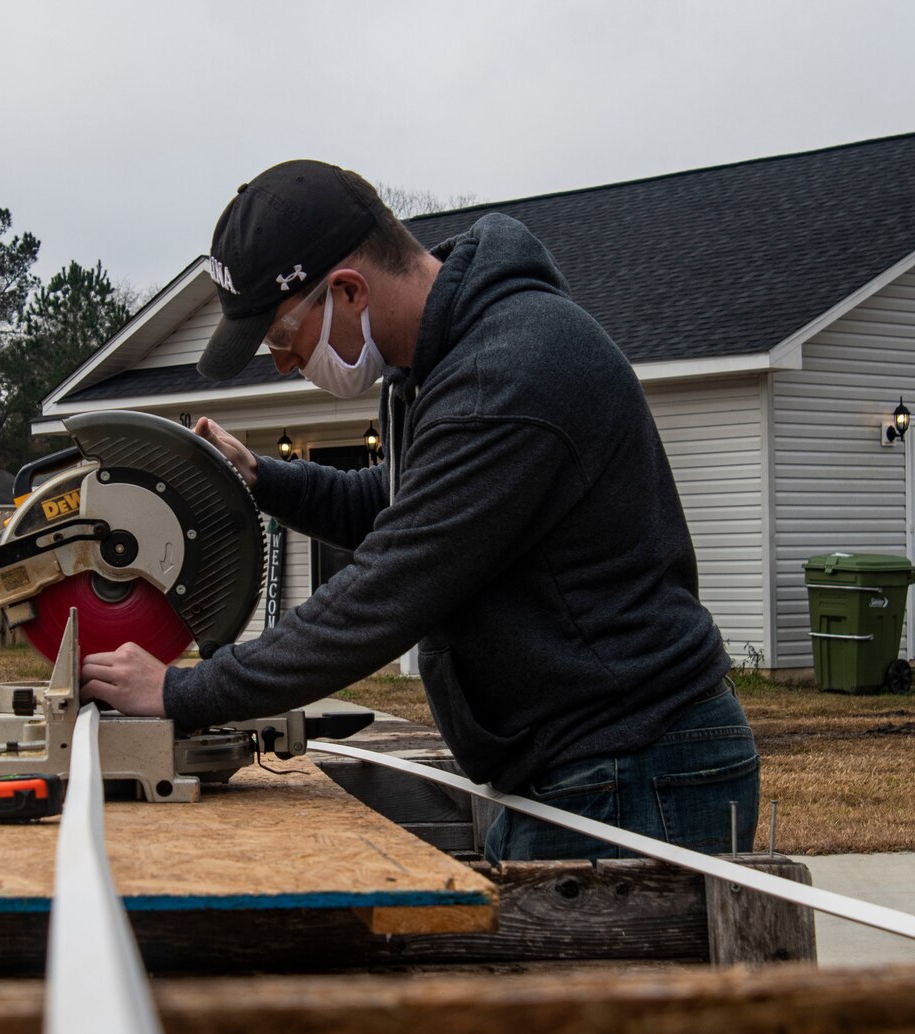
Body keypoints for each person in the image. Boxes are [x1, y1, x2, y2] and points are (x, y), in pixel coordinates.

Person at [79, 160, 757, 860]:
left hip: (634, 764)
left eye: (283, 338)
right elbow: (401, 503)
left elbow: (386, 592)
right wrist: (263, 479)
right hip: (590, 754)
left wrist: (183, 691)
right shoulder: (437, 361)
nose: (282, 363)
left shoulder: (507, 374)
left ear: (347, 290)